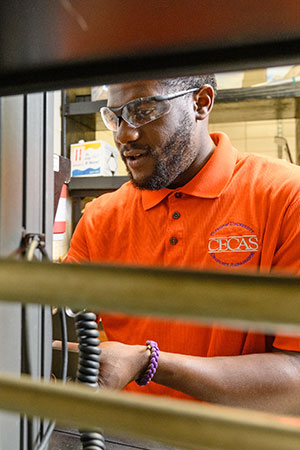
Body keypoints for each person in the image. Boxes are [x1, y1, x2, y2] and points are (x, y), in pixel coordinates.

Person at [65, 75, 300, 414]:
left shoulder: (285, 198)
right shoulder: (101, 217)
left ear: (201, 102)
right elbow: (55, 327)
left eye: (143, 111)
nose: (123, 135)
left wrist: (149, 361)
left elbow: (294, 377)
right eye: (115, 117)